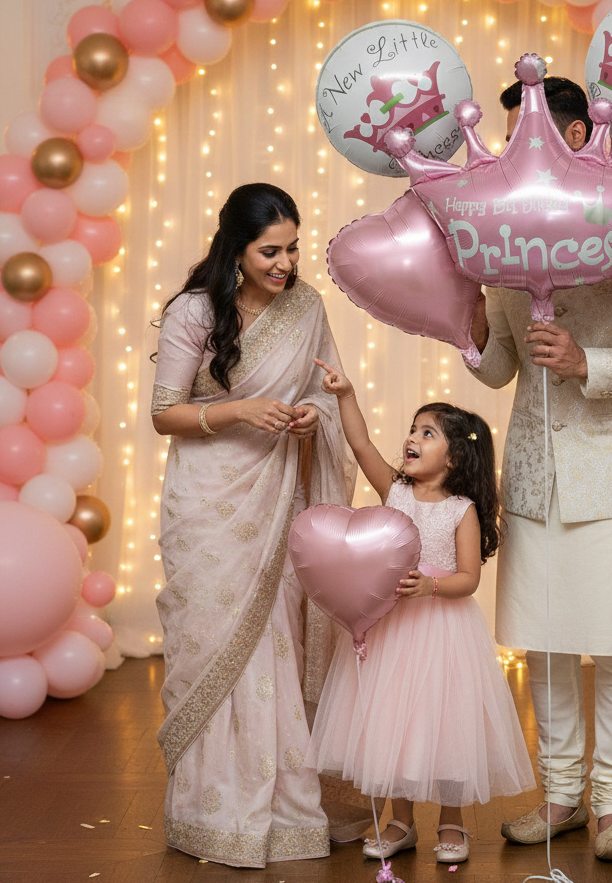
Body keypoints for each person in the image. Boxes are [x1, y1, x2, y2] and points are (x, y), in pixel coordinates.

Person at [463, 78, 612, 862]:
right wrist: (466, 325)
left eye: (523, 134)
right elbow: (499, 369)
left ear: (572, 137)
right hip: (536, 474)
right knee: (545, 644)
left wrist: (587, 362)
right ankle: (561, 796)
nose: (508, 153)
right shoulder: (501, 245)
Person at [150, 183, 355, 868]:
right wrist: (240, 411)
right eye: (271, 250)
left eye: (293, 248)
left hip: (278, 498)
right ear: (235, 249)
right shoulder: (194, 311)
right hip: (210, 503)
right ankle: (212, 812)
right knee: (213, 644)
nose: (286, 263)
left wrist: (307, 417)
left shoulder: (307, 307)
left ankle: (286, 810)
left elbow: (323, 398)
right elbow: (164, 413)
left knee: (278, 645)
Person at [306, 365, 535, 866]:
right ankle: (400, 820)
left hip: (442, 629)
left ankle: (451, 821)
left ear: (456, 457)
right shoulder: (395, 491)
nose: (411, 438)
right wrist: (346, 394)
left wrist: (431, 585)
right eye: (413, 429)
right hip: (392, 630)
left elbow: (469, 578)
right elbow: (361, 442)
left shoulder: (461, 510)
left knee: (445, 723)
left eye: (426, 433)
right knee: (395, 724)